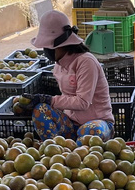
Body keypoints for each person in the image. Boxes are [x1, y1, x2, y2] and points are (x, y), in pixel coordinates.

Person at [26, 10, 114, 142]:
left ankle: (75, 155)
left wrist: (51, 100)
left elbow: (83, 102)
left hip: (98, 124)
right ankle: (57, 153)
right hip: (71, 124)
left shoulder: (86, 62)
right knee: (40, 110)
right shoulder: (58, 66)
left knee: (90, 131)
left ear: (64, 45)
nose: (46, 51)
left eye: (49, 47)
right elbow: (65, 100)